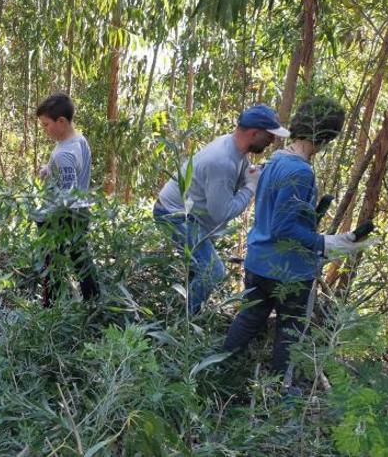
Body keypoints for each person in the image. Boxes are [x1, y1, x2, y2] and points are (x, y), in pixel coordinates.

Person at [222, 97, 373, 376]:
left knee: (246, 322)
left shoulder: (276, 160)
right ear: (328, 136)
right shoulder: (301, 172)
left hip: (258, 263)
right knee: (290, 336)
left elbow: (281, 215)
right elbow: (284, 229)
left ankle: (216, 374)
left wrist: (313, 216)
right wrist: (330, 243)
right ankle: (284, 399)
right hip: (287, 272)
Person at [154, 104, 290, 314]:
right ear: (254, 133)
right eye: (269, 136)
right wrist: (251, 186)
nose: (272, 141)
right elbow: (222, 212)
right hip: (174, 215)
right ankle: (183, 323)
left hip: (188, 214)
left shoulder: (234, 147)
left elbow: (237, 177)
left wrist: (252, 174)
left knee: (198, 268)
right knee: (212, 271)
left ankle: (182, 312)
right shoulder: (222, 161)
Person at [34, 92, 101, 307]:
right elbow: (71, 173)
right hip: (80, 211)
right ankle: (94, 303)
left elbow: (66, 193)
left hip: (64, 216)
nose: (44, 130)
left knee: (51, 264)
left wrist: (44, 218)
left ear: (61, 121)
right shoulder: (77, 140)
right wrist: (48, 170)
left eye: (46, 125)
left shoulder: (64, 154)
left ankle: (50, 310)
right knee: (81, 260)